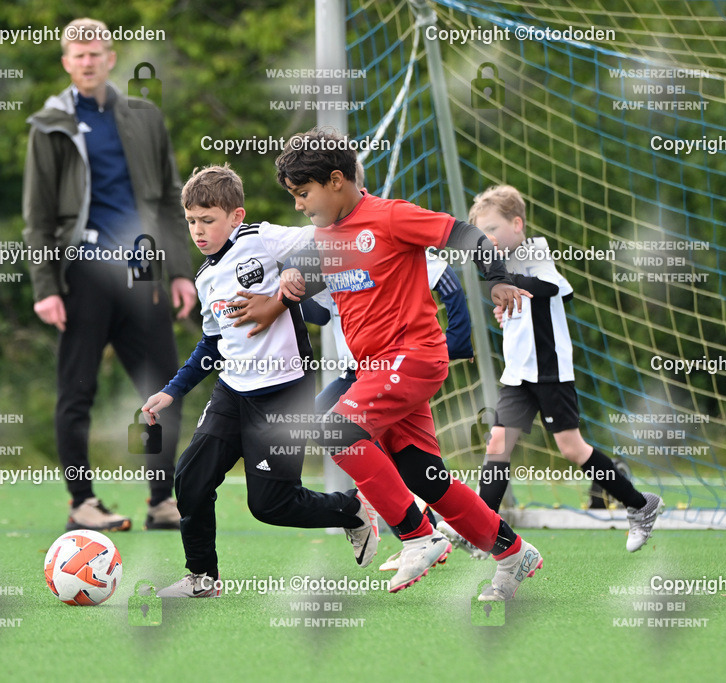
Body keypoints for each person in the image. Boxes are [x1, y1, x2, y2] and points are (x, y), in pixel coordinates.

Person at [275, 127, 542, 602]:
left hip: (412, 357)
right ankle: (513, 553)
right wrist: (293, 275)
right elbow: (307, 272)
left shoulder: (391, 216)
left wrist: (497, 278)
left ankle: (417, 535)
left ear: (336, 180)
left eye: (303, 193)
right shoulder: (325, 234)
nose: (299, 205)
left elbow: (463, 233)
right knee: (424, 474)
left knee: (335, 428)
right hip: (377, 369)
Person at [140, 165, 378, 597]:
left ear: (236, 216)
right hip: (232, 392)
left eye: (207, 220)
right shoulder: (205, 278)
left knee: (270, 505)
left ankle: (352, 508)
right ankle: (203, 579)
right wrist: (171, 391)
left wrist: (289, 283)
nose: (198, 230)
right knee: (190, 479)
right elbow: (211, 347)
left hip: (285, 393)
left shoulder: (262, 239)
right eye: (191, 220)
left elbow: (328, 240)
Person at [22, 17, 196, 531]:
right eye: (77, 54)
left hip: (143, 271)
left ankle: (162, 502)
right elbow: (38, 215)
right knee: (77, 392)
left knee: (163, 388)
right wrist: (46, 287)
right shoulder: (48, 126)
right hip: (83, 273)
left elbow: (168, 199)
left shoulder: (144, 116)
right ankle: (83, 503)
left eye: (95, 52)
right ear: (66, 63)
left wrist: (181, 272)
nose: (87, 61)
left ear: (110, 57)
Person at [467, 184, 662, 552]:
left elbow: (553, 288)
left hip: (550, 371)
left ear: (517, 224)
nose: (487, 238)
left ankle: (640, 505)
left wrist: (507, 286)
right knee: (497, 444)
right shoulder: (496, 264)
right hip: (517, 374)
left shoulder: (533, 250)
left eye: (493, 229)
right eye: (482, 233)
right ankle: (483, 530)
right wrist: (505, 309)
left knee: (572, 449)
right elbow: (516, 308)